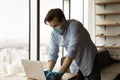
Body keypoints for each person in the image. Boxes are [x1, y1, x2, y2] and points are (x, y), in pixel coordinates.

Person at [43, 8, 101, 80]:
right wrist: (48, 70)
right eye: (52, 27)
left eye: (55, 25)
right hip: (75, 62)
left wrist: (60, 73)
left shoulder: (75, 26)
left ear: (63, 20)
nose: (54, 29)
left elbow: (72, 51)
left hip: (89, 58)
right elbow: (53, 53)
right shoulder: (54, 34)